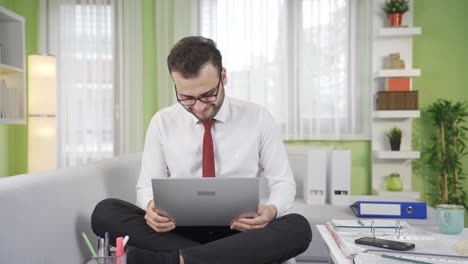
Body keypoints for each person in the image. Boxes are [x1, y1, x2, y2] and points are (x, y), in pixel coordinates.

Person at [91, 36, 312, 264]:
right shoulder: (162, 122)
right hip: (179, 230)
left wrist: (272, 210)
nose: (199, 106)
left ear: (223, 77)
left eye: (207, 94)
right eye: (186, 97)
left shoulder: (258, 118)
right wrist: (150, 207)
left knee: (298, 227)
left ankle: (177, 260)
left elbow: (283, 183)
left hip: (241, 233)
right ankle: (217, 258)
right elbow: (146, 185)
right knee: (106, 212)